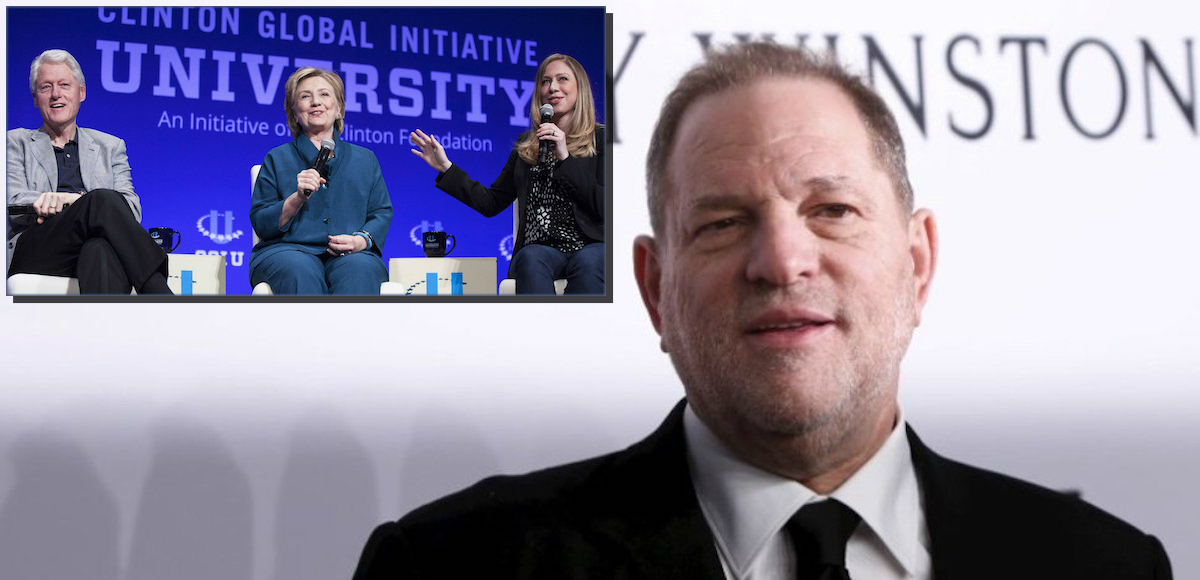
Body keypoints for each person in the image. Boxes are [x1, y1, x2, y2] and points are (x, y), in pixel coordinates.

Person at [352, 43, 1172, 579]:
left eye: (833, 211)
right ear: (654, 289)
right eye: (722, 222)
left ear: (917, 266)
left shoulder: (1103, 566)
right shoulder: (451, 567)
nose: (782, 261)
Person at [409, 53, 605, 295]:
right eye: (545, 81)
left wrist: (565, 159)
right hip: (541, 250)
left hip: (592, 247)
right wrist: (446, 167)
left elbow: (606, 207)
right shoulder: (527, 145)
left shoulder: (601, 140)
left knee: (589, 263)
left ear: (580, 89)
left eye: (562, 79)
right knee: (530, 257)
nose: (553, 87)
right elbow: (491, 202)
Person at [7, 49, 172, 294]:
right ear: (34, 97)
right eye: (46, 87)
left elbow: (131, 210)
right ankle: (159, 292)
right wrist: (78, 205)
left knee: (99, 250)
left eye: (64, 84)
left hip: (89, 248)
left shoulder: (110, 146)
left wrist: (76, 201)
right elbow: (13, 201)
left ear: (81, 92)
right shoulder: (15, 142)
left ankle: (101, 332)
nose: (56, 94)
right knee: (103, 199)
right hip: (38, 247)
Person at [249, 67, 393, 295]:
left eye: (324, 94)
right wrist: (297, 199)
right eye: (305, 96)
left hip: (350, 254)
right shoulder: (277, 158)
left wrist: (361, 241)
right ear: (294, 112)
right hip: (287, 251)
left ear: (339, 109)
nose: (316, 102)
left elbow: (381, 212)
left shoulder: (365, 159)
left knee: (360, 269)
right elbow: (261, 221)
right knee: (299, 270)